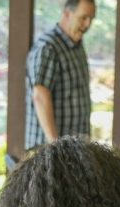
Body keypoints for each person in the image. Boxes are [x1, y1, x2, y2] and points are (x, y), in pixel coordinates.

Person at [24, 0, 95, 150]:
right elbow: (40, 96)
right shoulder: (48, 47)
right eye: (83, 17)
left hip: (74, 149)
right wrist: (55, 147)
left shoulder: (76, 45)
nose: (87, 24)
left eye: (91, 18)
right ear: (67, 14)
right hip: (49, 151)